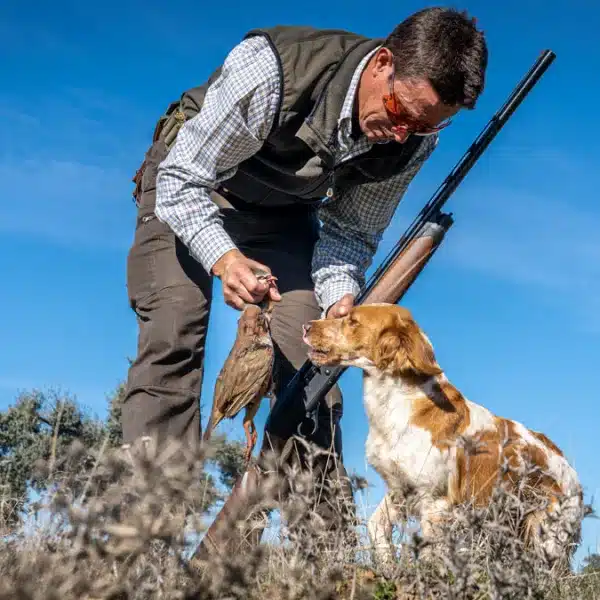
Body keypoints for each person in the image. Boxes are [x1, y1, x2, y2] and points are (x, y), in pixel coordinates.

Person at [122, 6, 487, 518]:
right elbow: (184, 180)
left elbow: (350, 230)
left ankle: (323, 562)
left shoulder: (414, 138)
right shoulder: (272, 69)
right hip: (189, 188)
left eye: (424, 126)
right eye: (401, 112)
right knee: (174, 337)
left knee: (316, 370)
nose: (403, 134)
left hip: (284, 212)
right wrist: (225, 258)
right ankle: (144, 544)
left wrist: (341, 296)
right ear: (382, 63)